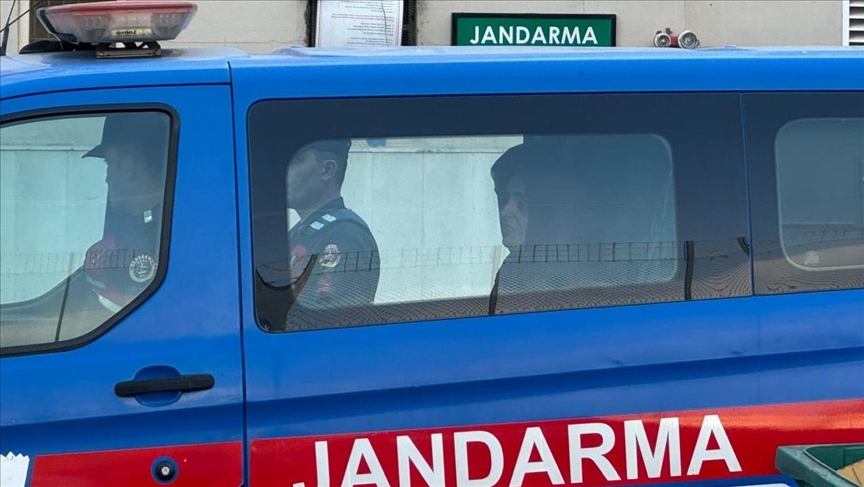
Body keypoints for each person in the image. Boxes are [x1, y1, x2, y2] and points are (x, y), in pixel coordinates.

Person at [281, 139, 380, 329]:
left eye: (296, 162)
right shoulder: (300, 232)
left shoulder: (344, 235)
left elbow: (328, 323)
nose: (285, 172)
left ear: (327, 170)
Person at [81, 112, 170, 313]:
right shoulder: (157, 226)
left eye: (109, 164)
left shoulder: (149, 241)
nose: (107, 178)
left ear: (127, 166)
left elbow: (109, 315)